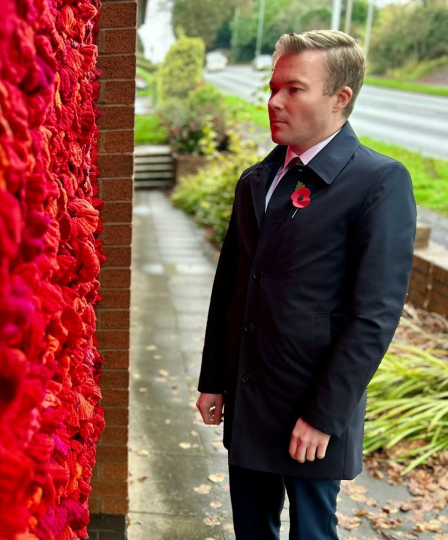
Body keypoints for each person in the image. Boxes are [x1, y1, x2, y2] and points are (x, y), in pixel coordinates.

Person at [195, 30, 416, 540]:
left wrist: (323, 415)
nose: (274, 101)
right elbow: (231, 286)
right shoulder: (257, 179)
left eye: (294, 89)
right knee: (251, 530)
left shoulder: (379, 183)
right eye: (274, 87)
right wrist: (214, 376)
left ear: (340, 99)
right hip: (251, 399)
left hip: (311, 413)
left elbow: (375, 316)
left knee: (313, 533)